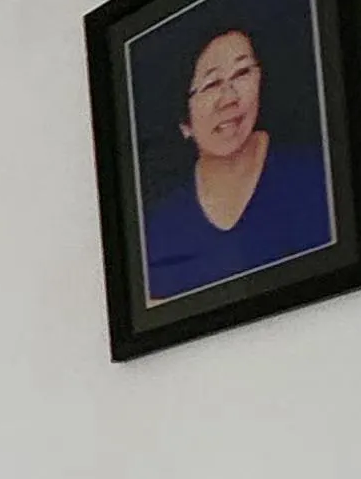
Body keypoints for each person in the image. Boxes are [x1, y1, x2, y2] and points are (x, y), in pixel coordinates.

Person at [139, 21, 334, 302]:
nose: (230, 98)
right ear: (183, 121)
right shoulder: (159, 228)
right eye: (211, 84)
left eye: (242, 73)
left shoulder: (316, 178)